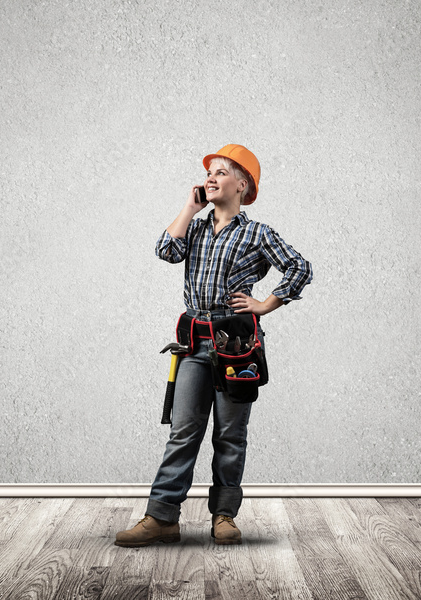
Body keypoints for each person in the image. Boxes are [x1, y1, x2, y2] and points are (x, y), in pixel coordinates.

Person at [115, 144, 313, 547]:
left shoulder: (258, 234)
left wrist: (265, 305)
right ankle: (162, 517)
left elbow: (300, 267)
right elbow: (165, 250)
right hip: (194, 344)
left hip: (237, 346)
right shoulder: (198, 227)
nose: (212, 177)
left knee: (230, 435)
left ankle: (224, 515)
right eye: (209, 172)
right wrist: (189, 208)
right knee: (183, 430)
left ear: (243, 185)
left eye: (222, 172)